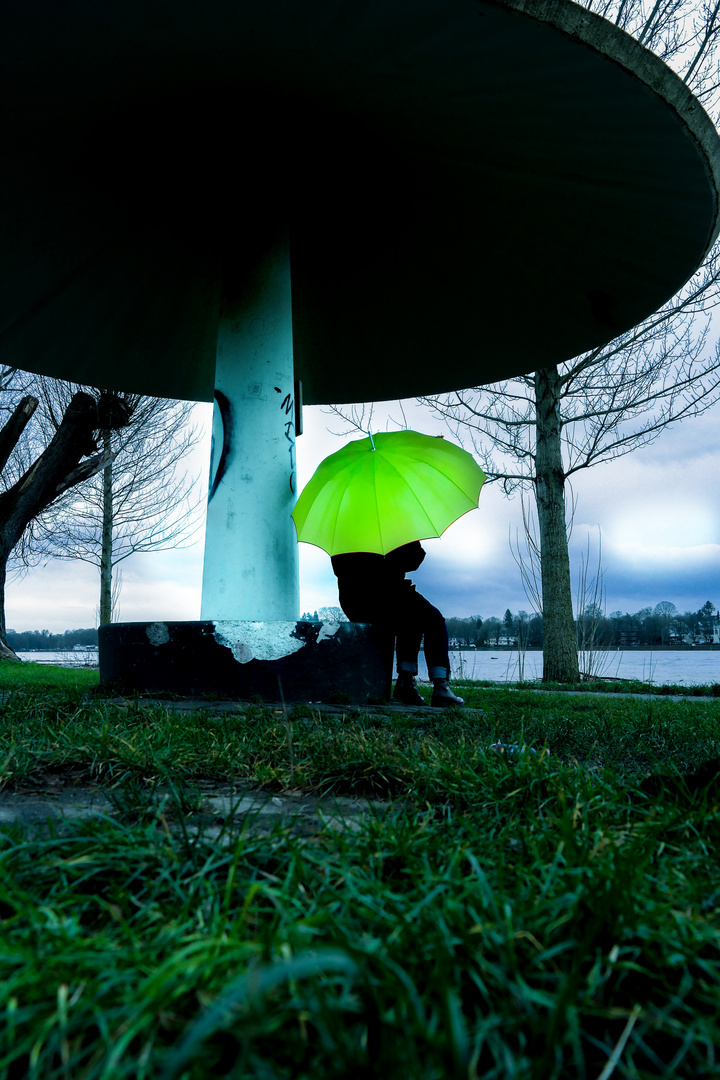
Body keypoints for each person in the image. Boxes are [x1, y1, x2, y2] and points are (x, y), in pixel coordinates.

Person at [331, 540, 464, 707]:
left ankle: (406, 681)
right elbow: (413, 561)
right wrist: (408, 540)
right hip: (387, 596)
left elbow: (338, 568)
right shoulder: (394, 525)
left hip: (353, 602)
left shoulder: (346, 530)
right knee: (434, 619)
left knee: (411, 616)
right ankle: (439, 685)